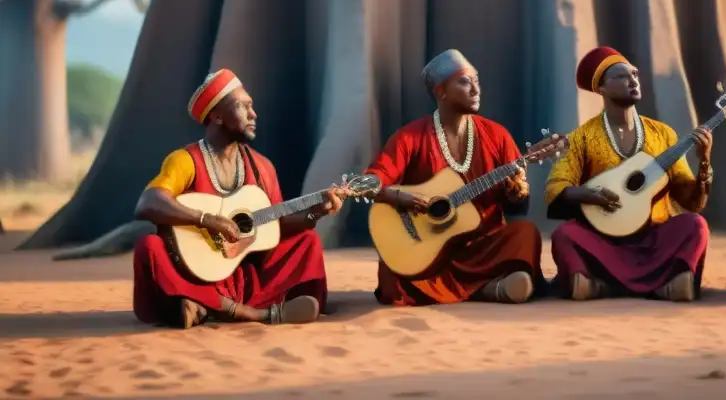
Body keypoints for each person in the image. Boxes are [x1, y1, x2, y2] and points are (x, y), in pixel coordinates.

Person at [132, 69, 349, 328]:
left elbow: (274, 226)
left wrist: (315, 213)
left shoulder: (262, 167)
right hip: (196, 272)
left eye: (252, 106)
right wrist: (207, 220)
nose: (253, 114)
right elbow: (148, 202)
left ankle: (204, 307)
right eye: (243, 106)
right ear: (217, 116)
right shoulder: (185, 161)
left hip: (241, 272)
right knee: (149, 247)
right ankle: (252, 313)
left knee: (307, 242)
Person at [365, 49, 545, 306]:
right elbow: (369, 182)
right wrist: (401, 197)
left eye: (477, 81)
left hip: (482, 248)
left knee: (525, 233)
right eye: (464, 81)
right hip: (429, 252)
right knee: (394, 270)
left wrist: (518, 193)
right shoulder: (410, 137)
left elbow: (518, 209)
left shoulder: (497, 135)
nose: (475, 89)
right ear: (441, 92)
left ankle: (477, 288)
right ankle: (489, 289)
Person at [545, 46, 713, 302]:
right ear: (601, 88)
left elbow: (691, 202)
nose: (633, 80)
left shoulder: (663, 134)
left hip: (654, 240)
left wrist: (704, 163)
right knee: (564, 235)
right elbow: (556, 189)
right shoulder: (581, 138)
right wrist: (591, 194)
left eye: (634, 74)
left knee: (695, 226)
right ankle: (661, 286)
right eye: (621, 76)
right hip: (605, 241)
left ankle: (602, 287)